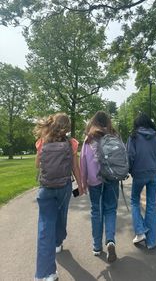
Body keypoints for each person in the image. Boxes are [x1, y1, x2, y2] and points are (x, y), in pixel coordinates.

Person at [34, 113, 83, 281]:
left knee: (44, 228)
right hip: (64, 187)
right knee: (61, 217)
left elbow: (37, 164)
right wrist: (81, 185)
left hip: (45, 187)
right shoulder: (72, 143)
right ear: (67, 127)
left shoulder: (42, 141)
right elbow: (75, 167)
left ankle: (44, 274)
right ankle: (58, 242)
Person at [80, 111, 119, 263]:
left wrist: (83, 182)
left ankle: (97, 247)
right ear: (108, 122)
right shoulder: (114, 136)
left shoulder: (89, 139)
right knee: (110, 210)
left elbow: (83, 161)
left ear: (93, 122)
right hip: (111, 178)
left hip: (94, 180)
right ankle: (110, 240)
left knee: (96, 211)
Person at [127, 113, 156, 250]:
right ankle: (151, 242)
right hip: (154, 173)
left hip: (139, 173)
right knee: (151, 205)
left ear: (137, 124)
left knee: (134, 201)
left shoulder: (134, 136)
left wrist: (130, 170)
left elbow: (130, 155)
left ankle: (140, 231)